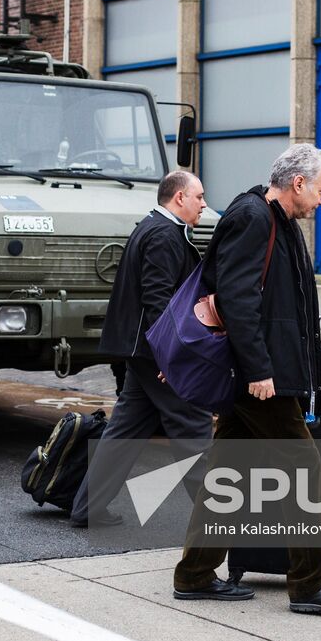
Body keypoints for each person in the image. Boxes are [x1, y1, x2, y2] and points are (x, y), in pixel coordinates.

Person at [172, 144, 321, 616]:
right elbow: (238, 299)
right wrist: (259, 369)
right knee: (307, 473)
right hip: (258, 379)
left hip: (262, 375)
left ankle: (195, 575)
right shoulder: (254, 218)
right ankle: (310, 585)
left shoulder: (280, 222)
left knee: (227, 476)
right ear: (298, 183)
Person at [72, 171, 214, 529]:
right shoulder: (164, 235)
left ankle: (87, 507)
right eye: (198, 197)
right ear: (179, 198)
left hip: (142, 351)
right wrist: (173, 357)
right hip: (156, 354)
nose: (204, 204)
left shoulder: (155, 227)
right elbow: (158, 302)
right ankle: (218, 520)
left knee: (124, 432)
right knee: (193, 426)